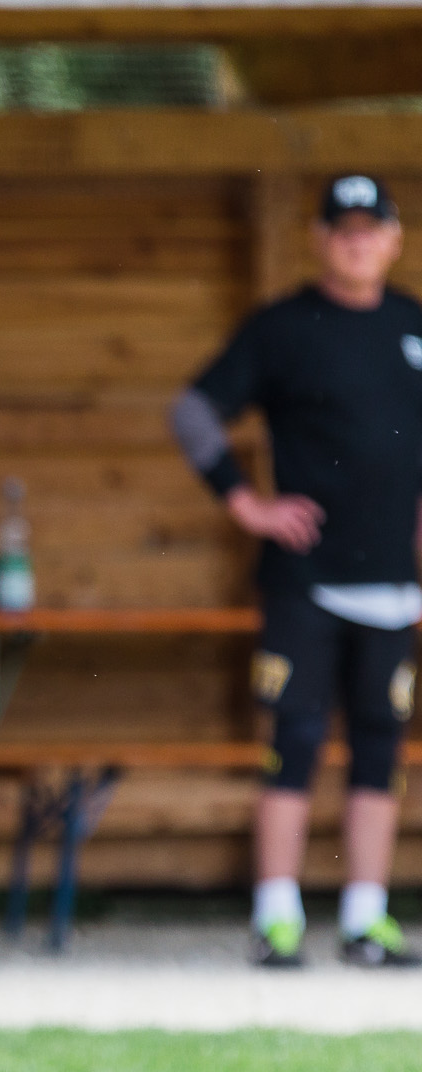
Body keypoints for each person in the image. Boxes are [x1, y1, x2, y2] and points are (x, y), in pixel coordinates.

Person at [172, 172, 422, 968]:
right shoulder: (281, 328)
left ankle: (365, 917)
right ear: (319, 237)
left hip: (394, 582)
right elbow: (192, 409)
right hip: (305, 581)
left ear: (394, 237)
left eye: (370, 227)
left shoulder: (415, 326)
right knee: (296, 739)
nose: (357, 240)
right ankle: (277, 915)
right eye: (342, 227)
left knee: (382, 747)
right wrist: (246, 503)